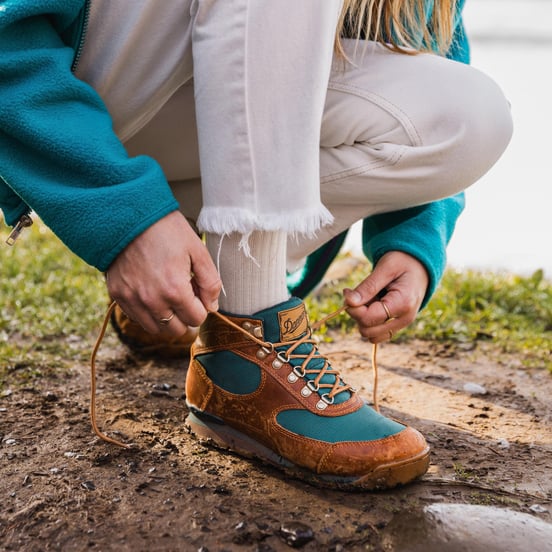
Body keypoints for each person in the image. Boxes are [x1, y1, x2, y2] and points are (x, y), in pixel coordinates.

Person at [0, 0, 512, 490]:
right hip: (100, 91)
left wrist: (411, 236)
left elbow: (431, 44)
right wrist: (124, 216)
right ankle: (248, 331)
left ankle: (195, 283)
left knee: (470, 119)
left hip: (206, 110)